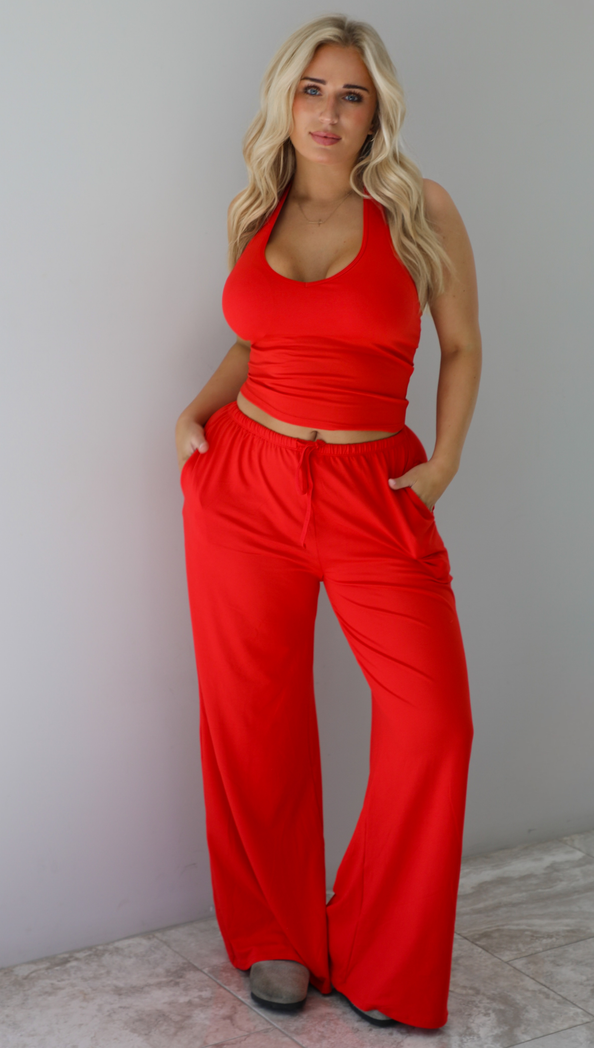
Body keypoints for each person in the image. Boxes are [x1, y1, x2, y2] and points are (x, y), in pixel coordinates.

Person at [175, 13, 481, 1031]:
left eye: (352, 94)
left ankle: (375, 948)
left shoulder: (417, 209)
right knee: (252, 720)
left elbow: (463, 345)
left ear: (375, 110)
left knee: (434, 724)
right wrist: (194, 412)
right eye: (313, 89)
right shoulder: (253, 210)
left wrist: (438, 468)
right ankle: (277, 938)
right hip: (245, 484)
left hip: (372, 489)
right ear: (285, 100)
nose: (330, 111)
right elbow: (256, 339)